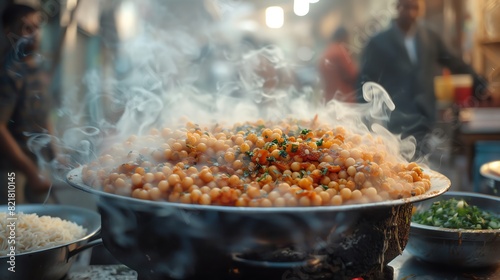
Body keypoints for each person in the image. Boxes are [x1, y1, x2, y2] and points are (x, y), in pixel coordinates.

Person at [357, 0, 488, 156]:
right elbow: (365, 80)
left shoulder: (430, 37)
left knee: (420, 164)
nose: (411, 13)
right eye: (406, 7)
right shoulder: (378, 42)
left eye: (415, 8)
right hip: (395, 117)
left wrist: (479, 82)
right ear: (397, 7)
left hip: (424, 114)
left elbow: (454, 62)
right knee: (396, 163)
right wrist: (364, 121)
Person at [0, 4, 53, 204]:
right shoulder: (9, 73)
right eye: (26, 28)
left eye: (37, 27)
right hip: (13, 171)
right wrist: (30, 172)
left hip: (39, 162)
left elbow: (44, 114)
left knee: (42, 226)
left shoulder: (38, 66)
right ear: (8, 31)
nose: (34, 34)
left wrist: (55, 153)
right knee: (14, 227)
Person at [318, 26, 358, 103]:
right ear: (344, 37)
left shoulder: (325, 52)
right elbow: (353, 74)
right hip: (344, 99)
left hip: (329, 99)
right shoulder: (340, 51)